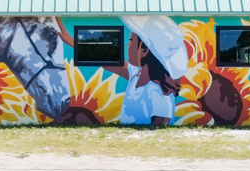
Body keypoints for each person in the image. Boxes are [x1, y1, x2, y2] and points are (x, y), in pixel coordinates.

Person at [57, 15, 188, 125]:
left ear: (144, 50)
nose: (128, 44)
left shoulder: (158, 94)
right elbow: (103, 60)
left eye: (131, 40)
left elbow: (160, 130)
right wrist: (70, 41)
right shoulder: (135, 75)